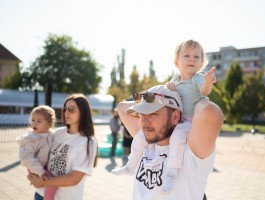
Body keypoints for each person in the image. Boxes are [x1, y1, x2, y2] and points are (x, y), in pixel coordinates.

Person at [112, 39, 217, 193]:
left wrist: (208, 82)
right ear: (176, 62)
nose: (191, 59)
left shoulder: (198, 78)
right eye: (186, 55)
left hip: (188, 121)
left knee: (178, 137)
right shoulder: (175, 79)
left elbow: (205, 92)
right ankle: (130, 166)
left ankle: (171, 174)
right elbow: (125, 106)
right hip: (175, 118)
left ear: (201, 63)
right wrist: (159, 93)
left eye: (196, 57)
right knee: (141, 136)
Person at [113, 84, 223, 199]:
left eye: (153, 113)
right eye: (142, 114)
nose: (144, 121)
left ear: (175, 117)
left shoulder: (190, 153)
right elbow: (122, 108)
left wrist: (188, 94)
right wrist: (149, 99)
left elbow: (211, 112)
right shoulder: (145, 142)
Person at [27, 94, 98, 200]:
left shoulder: (88, 142)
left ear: (83, 112)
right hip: (40, 195)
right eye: (65, 109)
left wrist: (42, 182)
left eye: (71, 109)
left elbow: (74, 178)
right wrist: (33, 174)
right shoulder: (58, 133)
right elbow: (41, 156)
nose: (66, 113)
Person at [16, 105, 57, 200]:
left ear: (49, 124)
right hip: (35, 167)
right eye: (33, 120)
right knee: (52, 184)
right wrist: (41, 172)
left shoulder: (50, 134)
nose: (34, 123)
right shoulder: (31, 139)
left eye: (39, 121)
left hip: (43, 166)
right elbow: (27, 158)